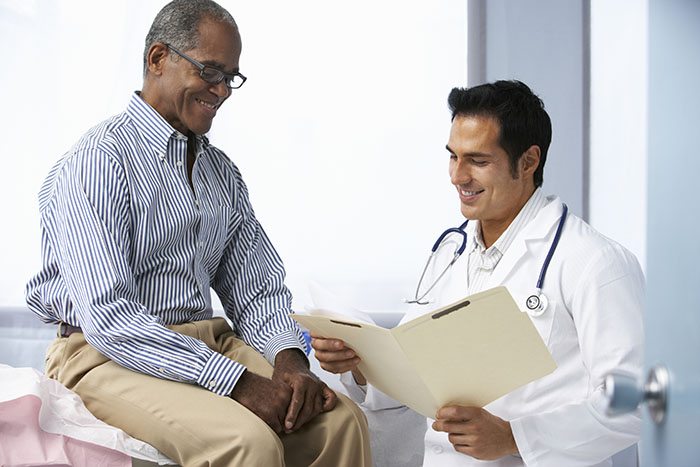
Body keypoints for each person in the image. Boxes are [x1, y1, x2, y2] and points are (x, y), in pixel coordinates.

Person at [24, 1, 371, 465]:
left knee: (342, 422)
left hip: (205, 341)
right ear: (157, 59)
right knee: (248, 441)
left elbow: (256, 291)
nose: (222, 90)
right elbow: (110, 318)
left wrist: (290, 360)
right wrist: (239, 382)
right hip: (103, 355)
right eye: (210, 71)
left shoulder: (221, 172)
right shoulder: (98, 161)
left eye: (231, 76)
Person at [312, 80, 644, 466]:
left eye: (478, 161)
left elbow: (632, 402)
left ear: (528, 161)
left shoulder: (594, 262)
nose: (458, 176)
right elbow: (416, 375)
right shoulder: (452, 253)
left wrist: (513, 437)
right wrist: (360, 365)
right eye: (453, 156)